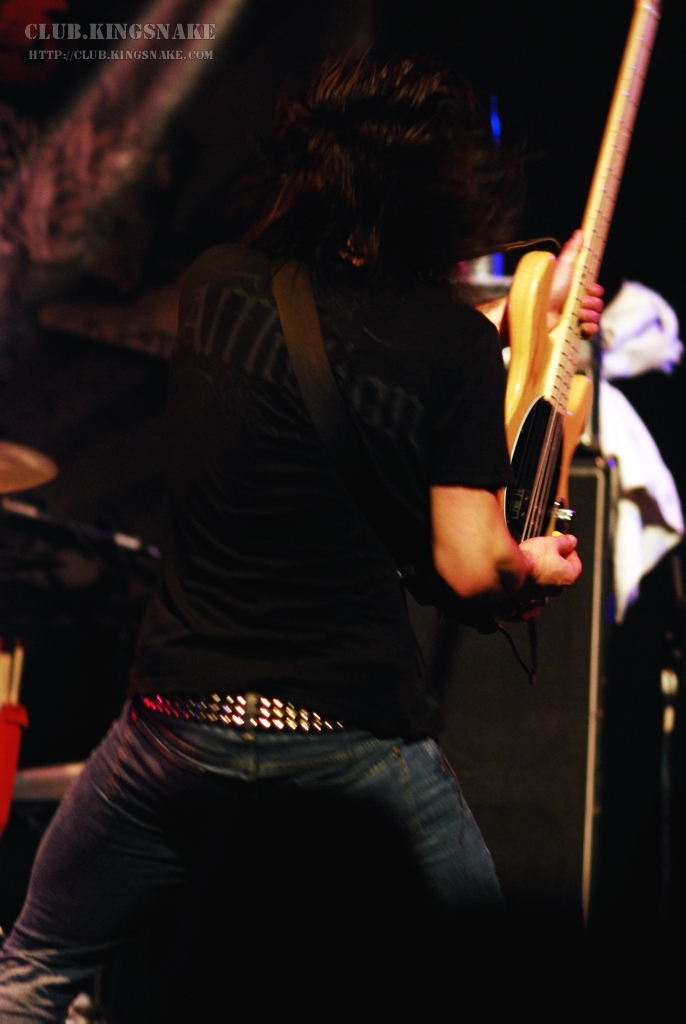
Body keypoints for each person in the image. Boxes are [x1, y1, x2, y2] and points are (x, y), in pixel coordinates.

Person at [0, 58, 603, 1020]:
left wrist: (530, 311)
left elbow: (355, 347)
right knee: (495, 985)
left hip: (174, 729)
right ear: (440, 200)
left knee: (32, 969)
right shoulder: (447, 350)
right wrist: (534, 561)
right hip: (345, 743)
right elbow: (469, 565)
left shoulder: (216, 288)